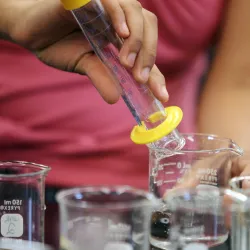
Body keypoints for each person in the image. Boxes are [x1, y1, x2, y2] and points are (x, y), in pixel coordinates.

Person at [1, 0, 250, 248]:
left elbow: (238, 84)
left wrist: (223, 167)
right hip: (17, 187)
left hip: (156, 203)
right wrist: (14, 18)